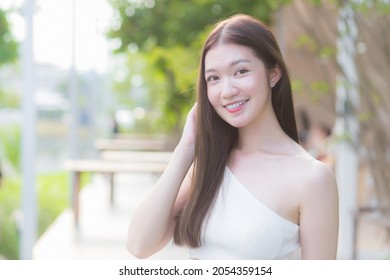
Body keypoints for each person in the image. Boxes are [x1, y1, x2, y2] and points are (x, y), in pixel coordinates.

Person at [126, 14, 339, 260]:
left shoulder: (312, 177)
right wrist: (186, 148)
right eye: (213, 78)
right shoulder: (208, 166)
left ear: (273, 73)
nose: (227, 91)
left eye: (240, 71)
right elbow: (139, 245)